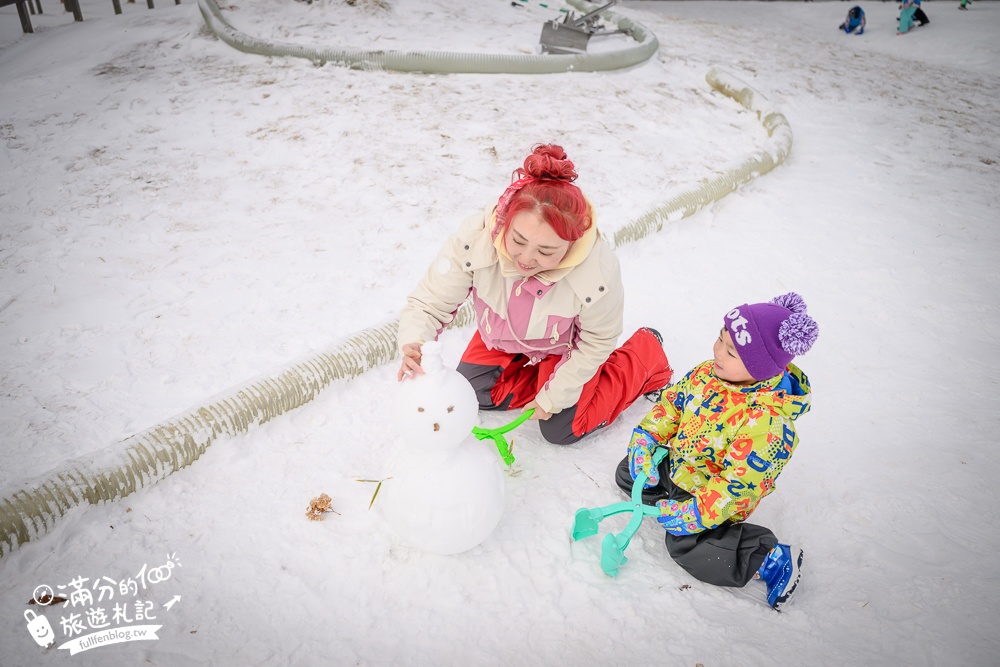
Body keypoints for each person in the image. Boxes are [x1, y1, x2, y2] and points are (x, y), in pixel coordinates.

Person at [397, 144, 673, 445]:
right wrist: (415, 342)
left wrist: (555, 395)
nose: (526, 258)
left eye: (546, 251)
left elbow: (596, 342)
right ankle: (548, 378)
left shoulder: (597, 271)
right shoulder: (476, 239)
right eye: (518, 240)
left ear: (570, 245)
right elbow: (429, 303)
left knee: (560, 427)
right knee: (470, 392)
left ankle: (645, 354)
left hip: (561, 346)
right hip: (503, 335)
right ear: (506, 221)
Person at [615, 293, 818, 610]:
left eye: (731, 352)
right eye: (719, 339)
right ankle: (667, 500)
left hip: (714, 494)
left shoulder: (769, 425)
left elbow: (737, 487)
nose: (717, 352)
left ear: (759, 366)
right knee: (629, 471)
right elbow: (672, 406)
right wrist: (645, 441)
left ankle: (767, 556)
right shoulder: (708, 373)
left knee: (686, 546)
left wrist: (695, 514)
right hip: (682, 465)